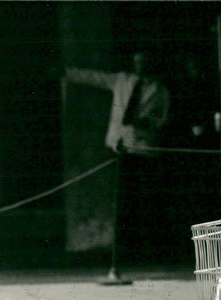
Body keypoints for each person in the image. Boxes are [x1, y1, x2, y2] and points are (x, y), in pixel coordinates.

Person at [65, 51, 171, 277]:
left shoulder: (159, 90)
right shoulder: (122, 80)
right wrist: (67, 73)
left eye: (144, 61)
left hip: (143, 148)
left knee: (141, 201)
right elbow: (95, 77)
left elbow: (163, 118)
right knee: (121, 199)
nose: (140, 64)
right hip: (120, 146)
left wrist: (148, 122)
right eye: (137, 61)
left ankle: (143, 251)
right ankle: (121, 252)